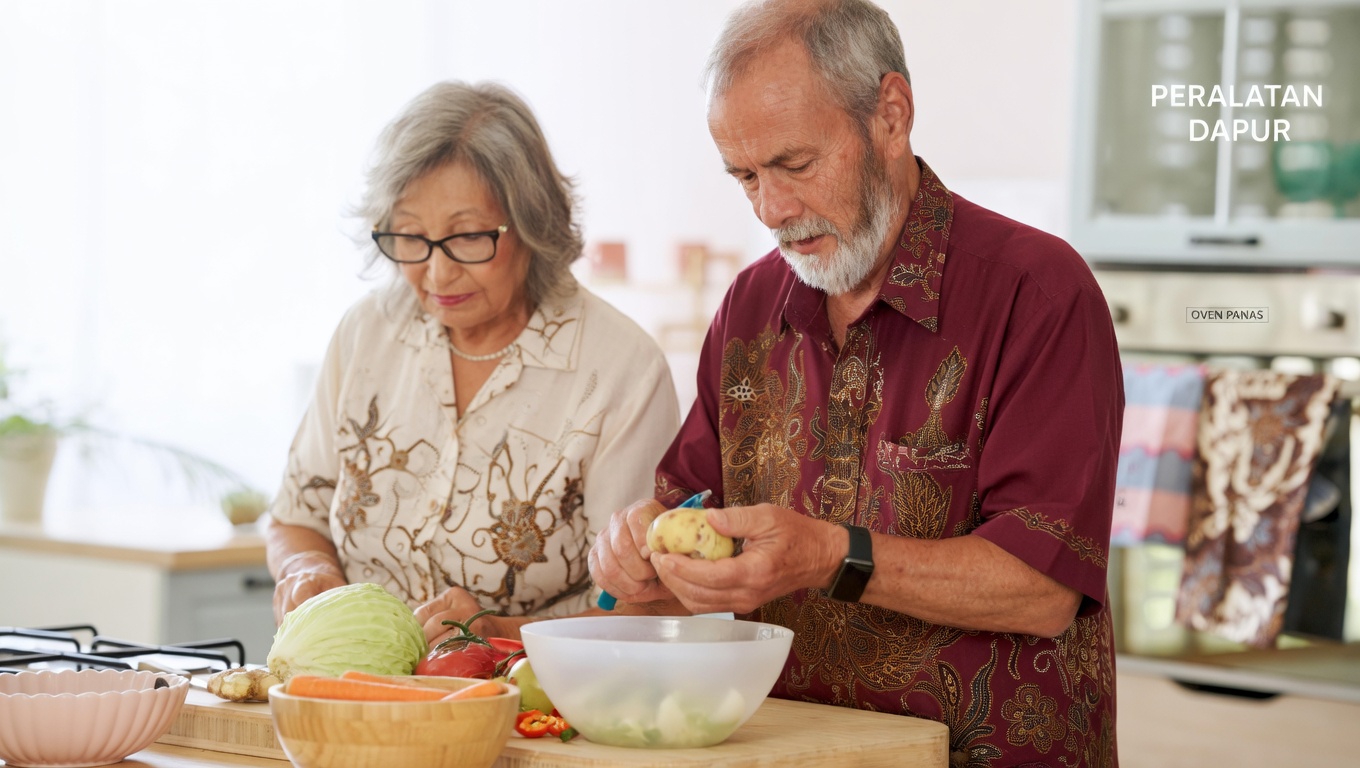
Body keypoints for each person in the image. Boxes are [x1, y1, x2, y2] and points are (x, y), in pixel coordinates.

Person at [588, 1, 1123, 765]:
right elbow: (694, 535)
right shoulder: (747, 308)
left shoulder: (1037, 293)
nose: (772, 208)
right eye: (745, 176)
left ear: (892, 114)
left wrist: (829, 555)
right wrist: (641, 558)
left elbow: (1042, 587)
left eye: (796, 165)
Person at [265, 81, 680, 645]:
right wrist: (304, 570)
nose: (436, 274)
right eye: (410, 237)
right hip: (356, 689)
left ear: (532, 223)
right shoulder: (368, 333)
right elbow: (297, 517)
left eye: (465, 237)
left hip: (532, 706)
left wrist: (496, 632)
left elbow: (645, 610)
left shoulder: (620, 369)